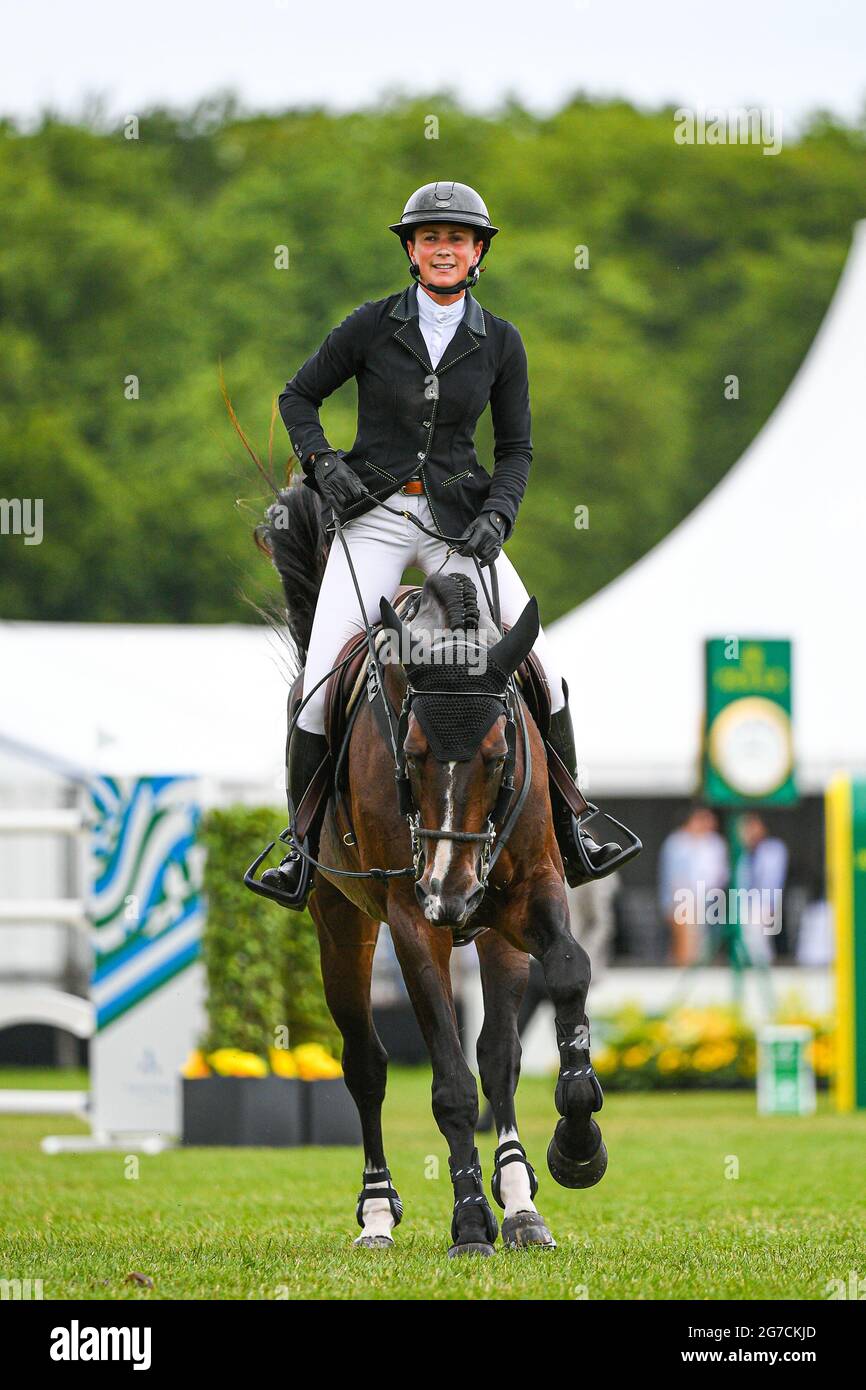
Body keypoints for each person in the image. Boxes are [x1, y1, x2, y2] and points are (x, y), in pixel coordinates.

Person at [260, 180, 629, 906]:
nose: (443, 248)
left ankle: (573, 827)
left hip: (460, 523)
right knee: (316, 689)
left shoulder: (501, 342)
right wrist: (323, 462)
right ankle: (300, 849)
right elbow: (296, 398)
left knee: (544, 673)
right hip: (374, 515)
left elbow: (517, 448)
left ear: (478, 252)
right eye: (430, 237)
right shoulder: (371, 325)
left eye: (457, 238)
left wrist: (500, 514)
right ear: (411, 249)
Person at [658, 804, 729, 965]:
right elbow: (673, 877)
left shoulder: (715, 843)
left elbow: (721, 873)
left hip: (711, 901)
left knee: (706, 946)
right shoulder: (677, 843)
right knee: (685, 947)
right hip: (684, 902)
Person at [732, 812, 788, 966]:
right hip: (743, 902)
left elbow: (773, 878)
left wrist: (770, 904)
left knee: (758, 940)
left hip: (762, 901)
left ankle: (763, 969)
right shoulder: (740, 852)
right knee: (744, 940)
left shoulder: (774, 848)